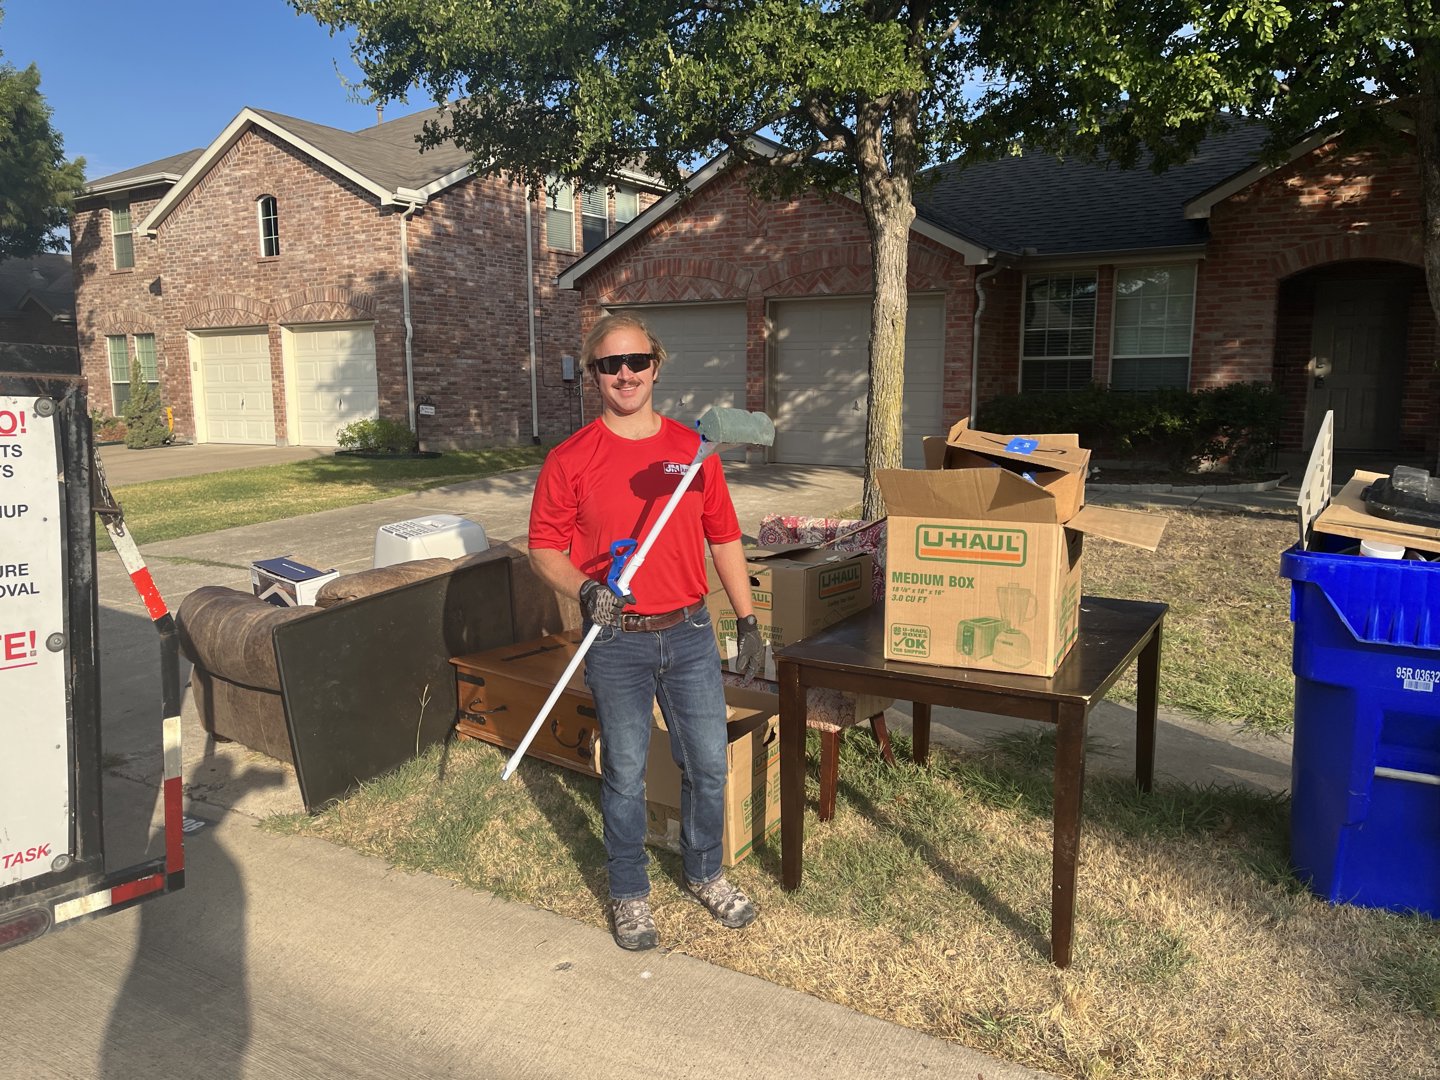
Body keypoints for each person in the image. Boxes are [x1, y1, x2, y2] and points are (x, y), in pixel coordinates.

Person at [528, 313, 766, 951]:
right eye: (611, 365)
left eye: (636, 361)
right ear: (594, 375)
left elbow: (724, 537)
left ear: (656, 367)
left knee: (708, 765)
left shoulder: (694, 450)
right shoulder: (570, 459)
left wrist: (747, 618)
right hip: (616, 639)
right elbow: (544, 548)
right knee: (625, 771)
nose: (625, 374)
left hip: (688, 632)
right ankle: (630, 890)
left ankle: (704, 870)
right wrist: (586, 589)